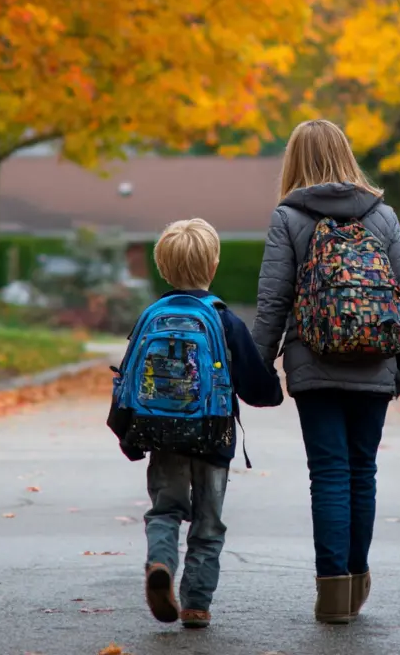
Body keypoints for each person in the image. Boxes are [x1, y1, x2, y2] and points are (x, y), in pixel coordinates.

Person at [251, 119, 400, 625]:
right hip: (377, 362)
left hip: (315, 364)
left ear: (295, 161)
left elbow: (273, 303)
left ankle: (332, 595)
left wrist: (255, 371)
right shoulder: (383, 216)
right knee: (361, 473)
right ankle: (357, 578)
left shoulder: (289, 216)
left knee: (327, 473)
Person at [106, 218, 284, 629]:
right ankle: (196, 604)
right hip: (212, 436)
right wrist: (273, 389)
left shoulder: (150, 315)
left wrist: (130, 437)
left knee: (165, 510)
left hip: (161, 434)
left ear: (162, 266)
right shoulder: (223, 318)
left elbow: (130, 379)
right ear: (215, 264)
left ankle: (161, 564)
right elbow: (257, 387)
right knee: (208, 523)